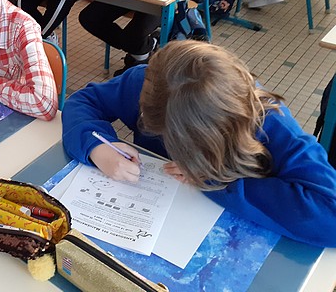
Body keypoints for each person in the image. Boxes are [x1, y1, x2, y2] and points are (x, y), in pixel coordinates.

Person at [62, 40, 336, 248]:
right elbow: (83, 101)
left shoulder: (272, 124)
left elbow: (330, 216)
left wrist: (216, 180)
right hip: (152, 223)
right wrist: (96, 147)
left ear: (224, 132)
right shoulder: (149, 83)